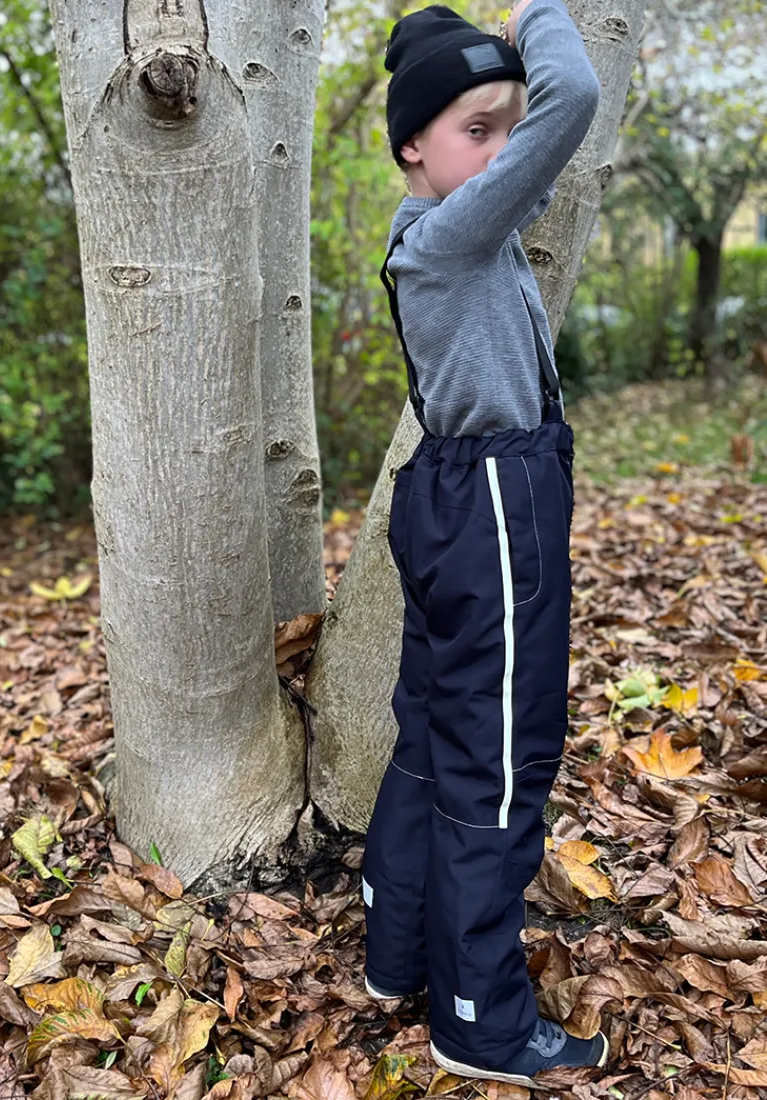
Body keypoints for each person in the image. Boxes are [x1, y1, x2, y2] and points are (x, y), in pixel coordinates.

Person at [360, 0, 608, 1088]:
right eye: (478, 128)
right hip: (495, 504)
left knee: (431, 732)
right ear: (411, 146)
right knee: (500, 761)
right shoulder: (456, 235)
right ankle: (479, 1019)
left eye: (510, 128)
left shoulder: (452, 223)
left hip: (456, 498)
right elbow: (576, 95)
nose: (506, 151)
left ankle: (399, 952)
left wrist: (497, 100)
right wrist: (537, 16)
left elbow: (532, 152)